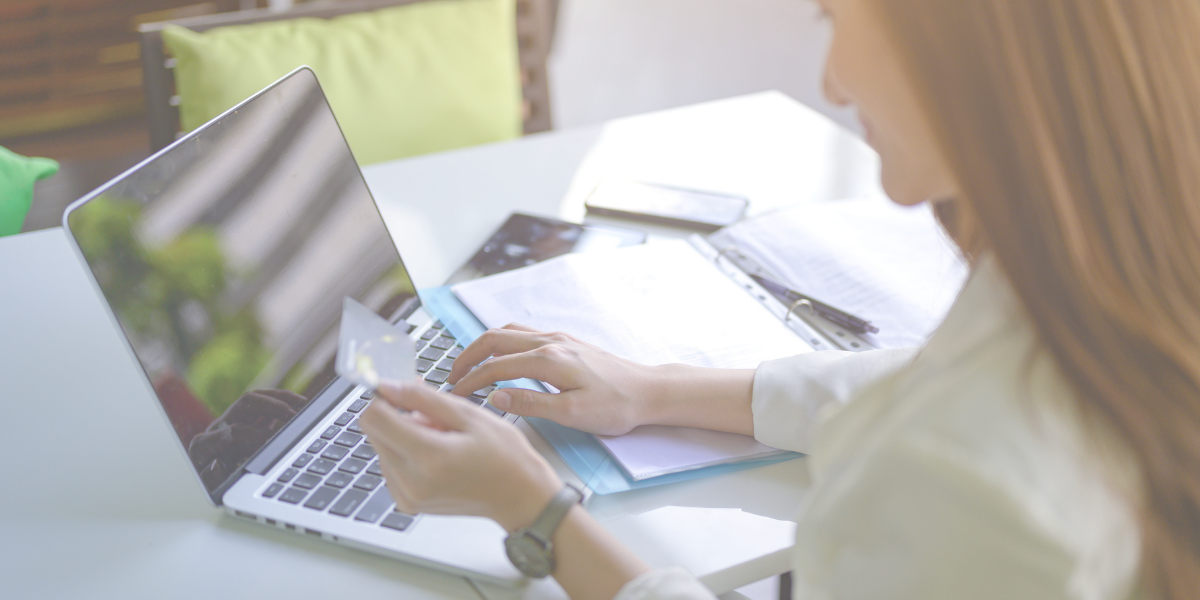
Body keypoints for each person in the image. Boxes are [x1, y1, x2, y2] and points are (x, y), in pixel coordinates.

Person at [359, 0, 1200, 598]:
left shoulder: (970, 489)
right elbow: (918, 378)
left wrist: (533, 509)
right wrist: (654, 390)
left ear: (973, 60)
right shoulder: (1120, 277)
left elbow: (955, 422)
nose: (834, 84)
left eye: (835, 18)